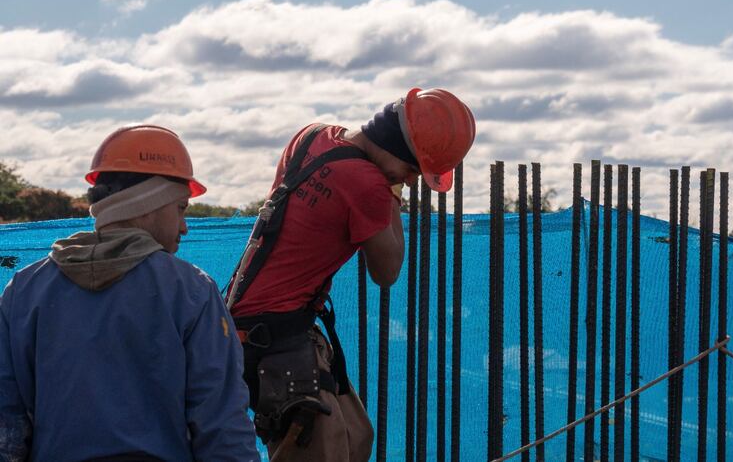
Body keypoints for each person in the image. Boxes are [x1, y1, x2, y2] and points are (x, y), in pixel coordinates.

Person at [225, 88, 475, 462]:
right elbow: (387, 271)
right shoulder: (369, 185)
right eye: (411, 171)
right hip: (271, 334)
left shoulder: (312, 134)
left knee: (357, 437)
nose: (409, 182)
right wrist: (390, 192)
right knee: (319, 450)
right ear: (395, 147)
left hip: (262, 320)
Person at [0, 125, 259, 462]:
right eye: (180, 208)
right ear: (146, 205)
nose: (184, 226)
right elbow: (222, 426)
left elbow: (6, 423)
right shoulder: (192, 291)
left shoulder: (24, 289)